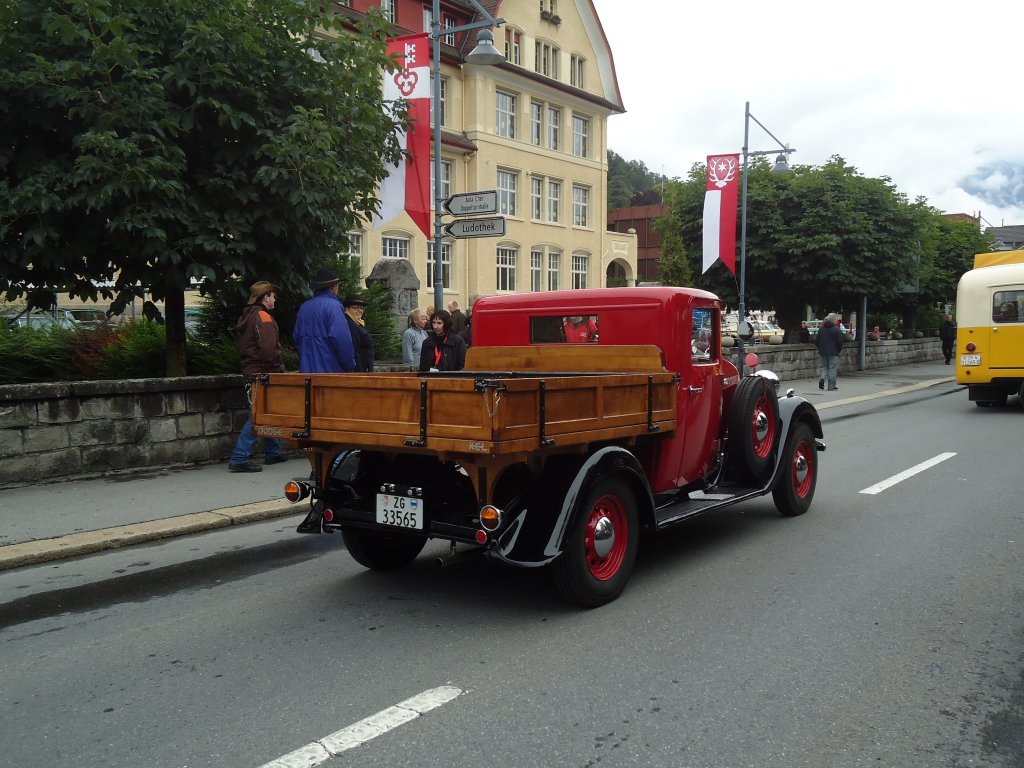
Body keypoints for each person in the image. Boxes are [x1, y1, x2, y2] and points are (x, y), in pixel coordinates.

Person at [228, 281, 286, 473]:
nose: (275, 300)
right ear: (265, 297)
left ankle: (273, 452)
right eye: (273, 296)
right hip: (263, 372)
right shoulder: (263, 316)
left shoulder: (248, 315)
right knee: (258, 415)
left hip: (252, 370)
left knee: (267, 412)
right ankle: (239, 458)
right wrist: (278, 365)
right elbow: (268, 350)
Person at [293, 267, 355, 373]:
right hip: (330, 372)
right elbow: (341, 340)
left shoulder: (304, 307)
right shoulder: (334, 306)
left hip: (307, 371)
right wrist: (350, 365)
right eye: (338, 286)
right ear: (332, 287)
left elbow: (296, 337)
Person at [343, 293, 374, 372]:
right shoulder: (350, 324)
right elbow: (354, 350)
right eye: (355, 308)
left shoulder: (356, 323)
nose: (359, 311)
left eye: (361, 308)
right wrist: (359, 372)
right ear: (347, 309)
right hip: (360, 369)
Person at [815, 312, 844, 391]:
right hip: (833, 352)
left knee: (825, 367)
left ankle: (822, 378)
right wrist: (838, 350)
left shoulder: (821, 329)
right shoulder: (837, 330)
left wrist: (821, 348)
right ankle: (831, 386)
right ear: (834, 320)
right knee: (832, 368)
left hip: (823, 352)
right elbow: (840, 342)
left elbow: (816, 341)